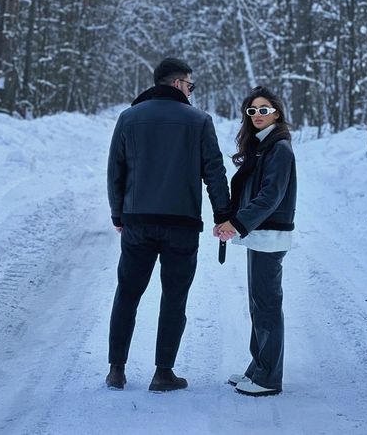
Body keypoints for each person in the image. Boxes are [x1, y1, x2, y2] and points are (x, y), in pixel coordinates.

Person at [106, 57, 232, 392]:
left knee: (127, 294)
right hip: (182, 224)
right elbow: (214, 173)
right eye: (190, 85)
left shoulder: (129, 118)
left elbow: (115, 170)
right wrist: (223, 215)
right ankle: (163, 373)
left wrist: (118, 214)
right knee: (174, 298)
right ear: (177, 84)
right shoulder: (199, 121)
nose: (191, 92)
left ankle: (116, 370)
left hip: (138, 222)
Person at [215, 86, 297, 397]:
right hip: (260, 234)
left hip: (270, 233)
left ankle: (269, 378)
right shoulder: (265, 146)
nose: (258, 115)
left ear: (276, 112)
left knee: (267, 306)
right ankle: (258, 366)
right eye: (252, 111)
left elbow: (270, 197)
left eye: (264, 109)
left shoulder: (279, 148)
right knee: (258, 305)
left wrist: (236, 223)